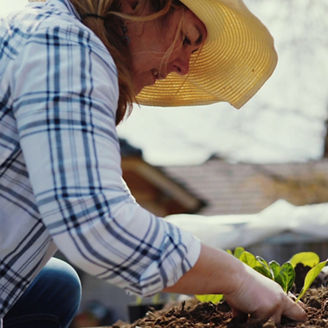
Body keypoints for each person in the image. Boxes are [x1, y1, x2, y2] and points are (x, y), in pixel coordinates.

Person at [0, 0, 306, 327]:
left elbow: (112, 202)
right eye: (187, 39)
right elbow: (97, 222)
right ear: (138, 5)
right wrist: (238, 278)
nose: (184, 67)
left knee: (56, 286)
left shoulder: (41, 32)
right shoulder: (65, 46)